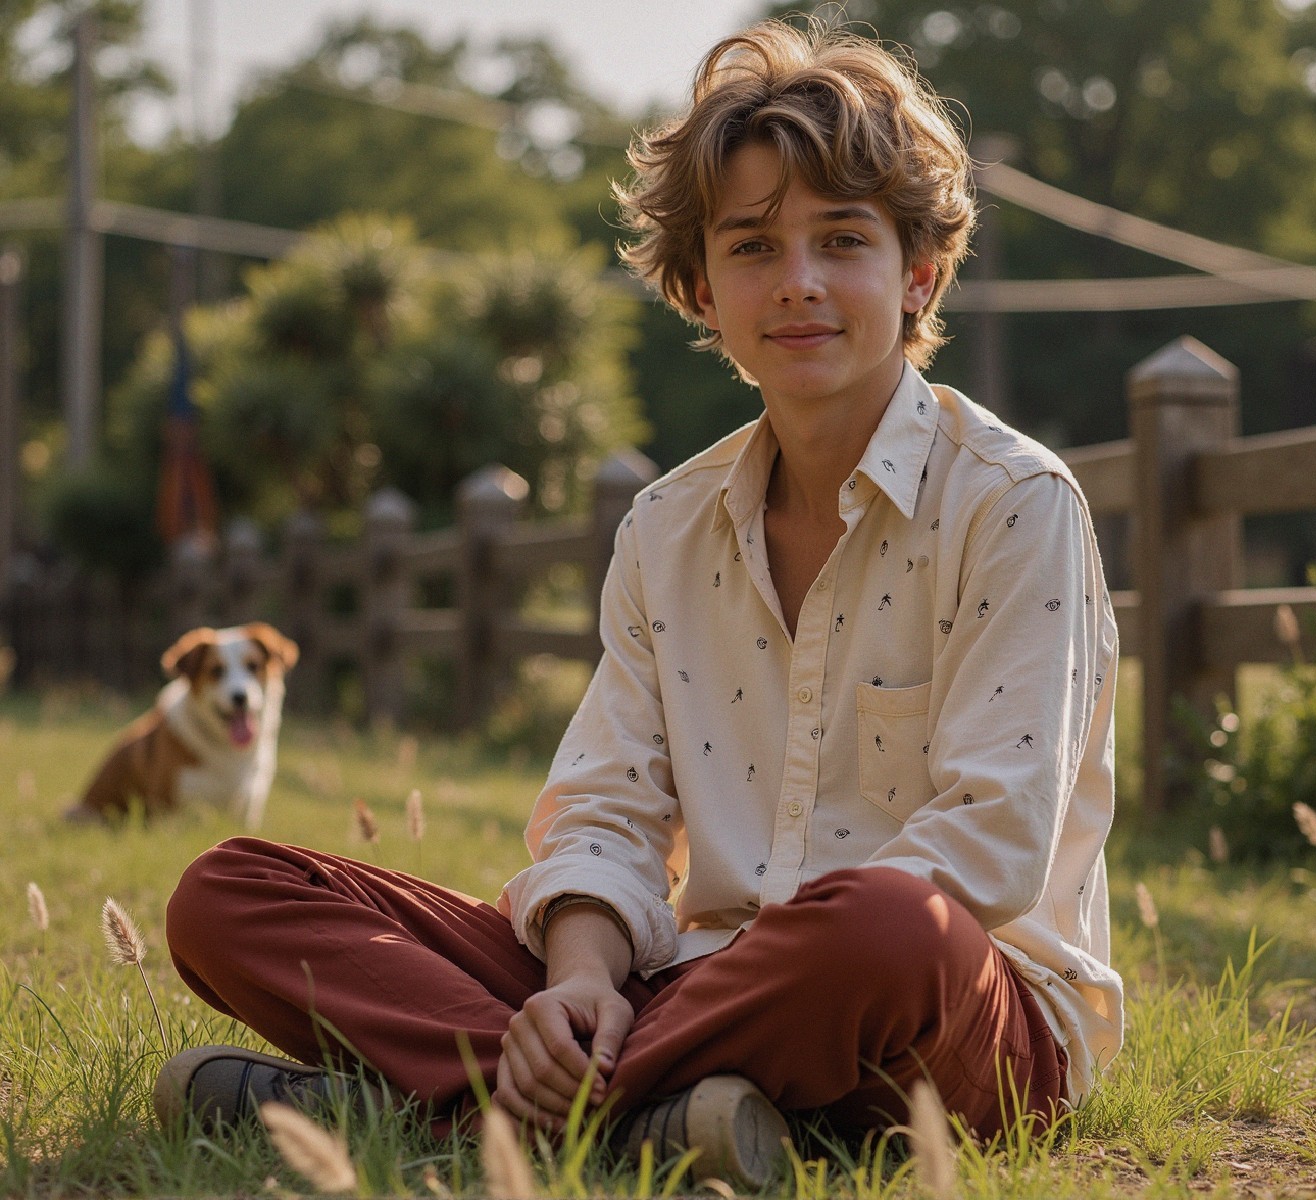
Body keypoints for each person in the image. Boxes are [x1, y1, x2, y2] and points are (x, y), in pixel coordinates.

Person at [154, 19, 1123, 1189]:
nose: (799, 281)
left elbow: (989, 846)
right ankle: (659, 1112)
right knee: (231, 892)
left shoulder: (1015, 503)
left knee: (881, 923)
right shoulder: (667, 527)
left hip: (947, 1013)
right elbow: (608, 805)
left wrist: (673, 994)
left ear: (916, 274)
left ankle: (451, 1111)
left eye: (843, 240)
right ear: (702, 288)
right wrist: (577, 986)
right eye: (755, 246)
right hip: (688, 991)